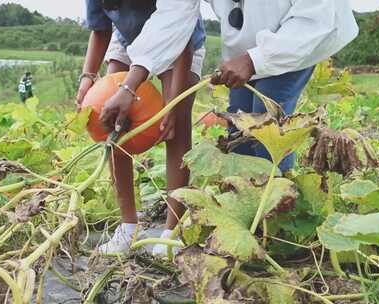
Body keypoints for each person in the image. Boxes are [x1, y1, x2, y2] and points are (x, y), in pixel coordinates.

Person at [114, 0, 356, 173]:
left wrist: (253, 60)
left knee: (268, 124)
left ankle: (276, 211)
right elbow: (172, 16)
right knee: (239, 126)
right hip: (245, 46)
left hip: (297, 41)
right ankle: (245, 201)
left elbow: (314, 18)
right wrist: (130, 85)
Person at [75, 0, 206, 256]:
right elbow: (101, 30)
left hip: (178, 38)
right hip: (126, 39)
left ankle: (172, 231)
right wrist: (88, 76)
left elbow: (180, 34)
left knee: (176, 127)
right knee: (110, 119)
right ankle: (128, 227)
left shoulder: (175, 19)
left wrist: (171, 105)